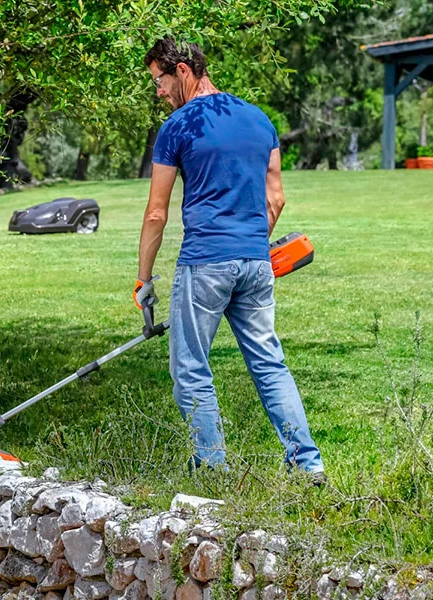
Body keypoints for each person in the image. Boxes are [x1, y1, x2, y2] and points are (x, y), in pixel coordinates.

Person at [134, 37, 325, 478]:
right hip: (256, 264)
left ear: (183, 71)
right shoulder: (259, 120)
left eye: (159, 81)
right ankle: (308, 465)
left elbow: (156, 212)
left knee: (190, 367)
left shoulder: (178, 127)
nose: (158, 92)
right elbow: (275, 200)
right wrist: (253, 245)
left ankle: (211, 468)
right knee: (270, 364)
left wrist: (144, 280)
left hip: (204, 264)